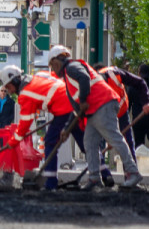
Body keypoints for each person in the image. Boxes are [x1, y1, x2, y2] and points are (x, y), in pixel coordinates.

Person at [48, 45, 142, 191]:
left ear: (56, 62)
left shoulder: (72, 67)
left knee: (114, 138)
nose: (53, 70)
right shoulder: (69, 77)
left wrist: (84, 99)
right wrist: (66, 129)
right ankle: (94, 179)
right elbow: (76, 109)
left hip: (102, 104)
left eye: (52, 66)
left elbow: (84, 78)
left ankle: (133, 172)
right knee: (89, 143)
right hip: (95, 109)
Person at [1, 65, 85, 190]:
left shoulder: (25, 95)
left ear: (16, 80)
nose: (9, 91)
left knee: (50, 142)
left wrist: (12, 142)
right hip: (74, 102)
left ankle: (50, 183)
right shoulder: (39, 75)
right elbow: (56, 81)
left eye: (8, 87)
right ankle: (103, 175)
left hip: (63, 109)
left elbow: (25, 123)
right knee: (85, 143)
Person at [99, 63, 149, 152]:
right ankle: (99, 164)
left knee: (128, 142)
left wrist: (147, 101)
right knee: (97, 139)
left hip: (122, 110)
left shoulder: (116, 74)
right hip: (104, 114)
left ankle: (131, 165)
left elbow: (140, 82)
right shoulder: (92, 88)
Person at [134, 64, 149, 148]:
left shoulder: (134, 87)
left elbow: (128, 102)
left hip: (138, 118)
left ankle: (138, 161)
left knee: (139, 144)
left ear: (139, 73)